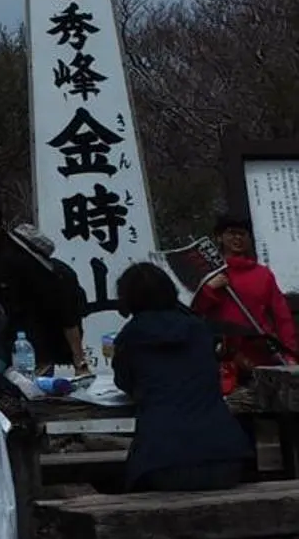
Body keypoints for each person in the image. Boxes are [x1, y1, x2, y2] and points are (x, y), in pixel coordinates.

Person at [112, 261, 252, 493]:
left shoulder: (130, 337)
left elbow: (124, 382)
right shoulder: (199, 330)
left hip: (162, 461)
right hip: (226, 455)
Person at [0, 188, 88, 374]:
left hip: (38, 355)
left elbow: (64, 303)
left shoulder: (17, 256)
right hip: (10, 351)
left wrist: (79, 361)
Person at [190, 211, 297, 385]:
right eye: (232, 233)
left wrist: (290, 354)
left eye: (242, 234)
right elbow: (195, 311)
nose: (237, 238)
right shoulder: (208, 275)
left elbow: (282, 317)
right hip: (223, 358)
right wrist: (209, 288)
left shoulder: (263, 275)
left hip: (261, 355)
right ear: (219, 237)